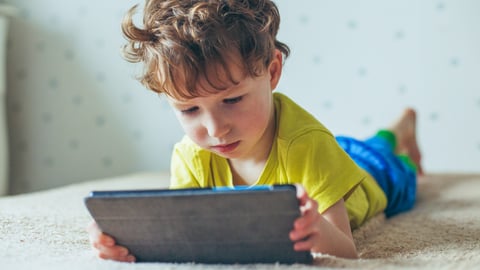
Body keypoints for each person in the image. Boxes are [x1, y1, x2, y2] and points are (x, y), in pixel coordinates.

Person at [87, 0, 423, 263]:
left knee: (387, 160)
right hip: (333, 155)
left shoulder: (308, 146)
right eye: (189, 109)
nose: (216, 129)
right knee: (363, 146)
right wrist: (122, 239)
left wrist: (317, 231)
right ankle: (396, 129)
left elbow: (346, 250)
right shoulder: (191, 155)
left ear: (272, 71)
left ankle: (403, 129)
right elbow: (185, 233)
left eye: (232, 100)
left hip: (371, 175)